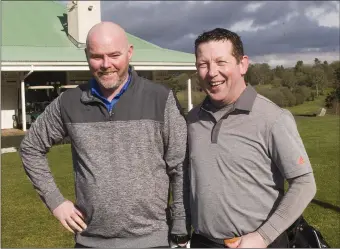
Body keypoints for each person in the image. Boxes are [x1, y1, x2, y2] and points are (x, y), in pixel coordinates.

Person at [19, 22, 190, 248]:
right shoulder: (69, 103)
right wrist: (55, 201)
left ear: (129, 52)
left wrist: (179, 225)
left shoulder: (160, 99)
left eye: (114, 55)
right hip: (90, 241)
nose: (106, 64)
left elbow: (179, 165)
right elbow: (31, 147)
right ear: (86, 55)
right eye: (97, 56)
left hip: (152, 240)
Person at [186, 28, 317, 248]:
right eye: (203, 64)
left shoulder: (272, 118)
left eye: (221, 62)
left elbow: (304, 183)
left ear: (243, 64)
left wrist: (263, 236)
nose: (211, 72)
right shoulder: (192, 120)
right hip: (203, 242)